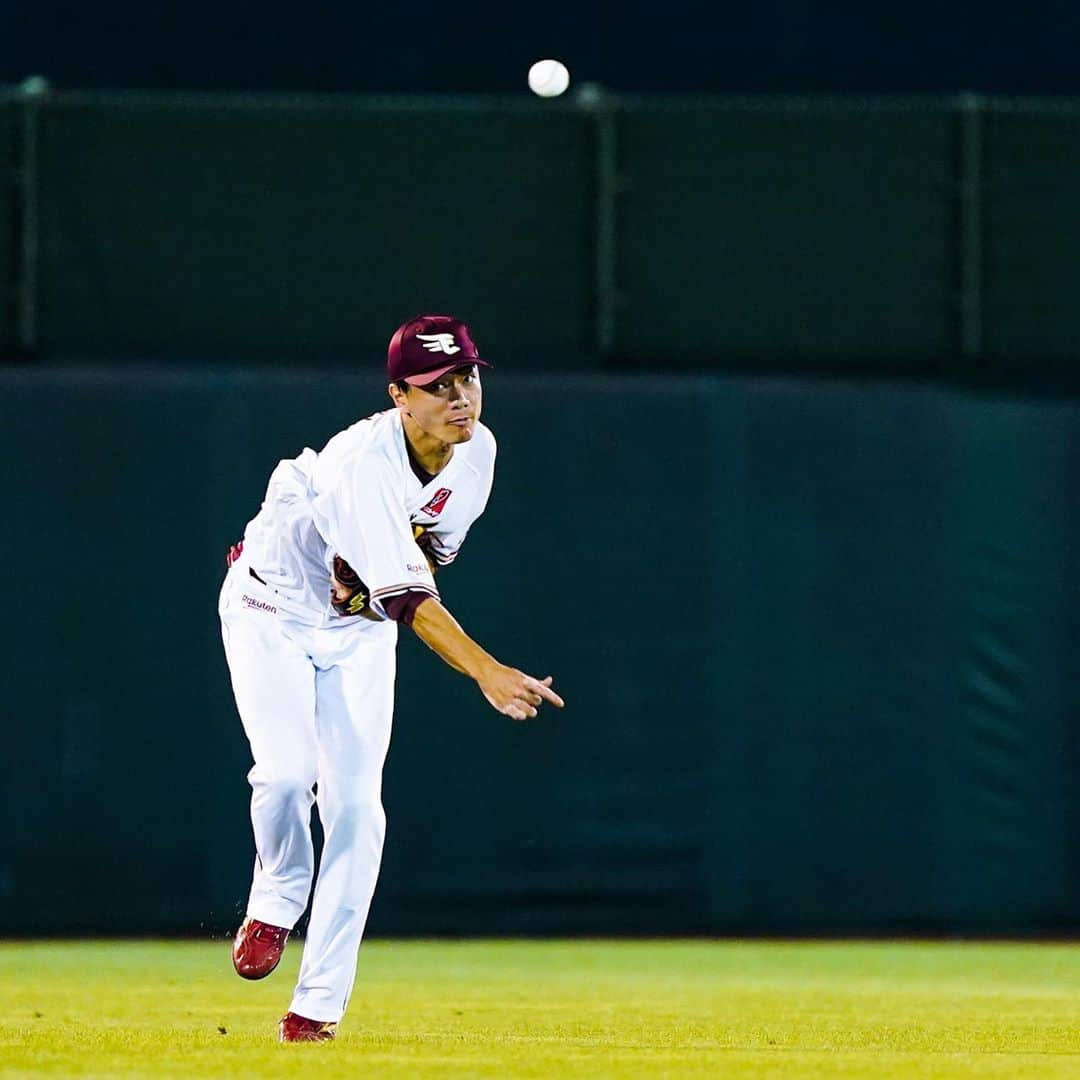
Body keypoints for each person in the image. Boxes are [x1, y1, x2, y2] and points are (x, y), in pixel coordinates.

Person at [219, 314, 564, 1043]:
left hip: (357, 632)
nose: (460, 397)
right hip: (270, 608)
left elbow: (426, 561)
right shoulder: (359, 465)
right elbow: (410, 600)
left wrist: (377, 578)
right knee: (284, 776)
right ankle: (278, 896)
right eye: (438, 386)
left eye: (467, 378)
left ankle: (317, 1006)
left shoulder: (478, 454)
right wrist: (487, 670)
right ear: (399, 396)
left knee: (357, 810)